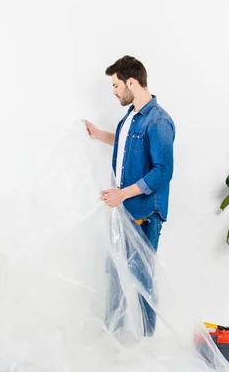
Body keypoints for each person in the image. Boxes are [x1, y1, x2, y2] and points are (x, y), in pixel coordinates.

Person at [85, 55, 175, 336]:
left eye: (115, 86)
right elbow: (126, 143)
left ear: (132, 82)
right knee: (116, 278)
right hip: (123, 213)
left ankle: (146, 343)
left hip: (144, 215)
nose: (113, 92)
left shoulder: (159, 120)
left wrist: (122, 194)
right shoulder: (132, 117)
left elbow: (162, 172)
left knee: (142, 282)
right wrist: (101, 135)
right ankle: (116, 340)